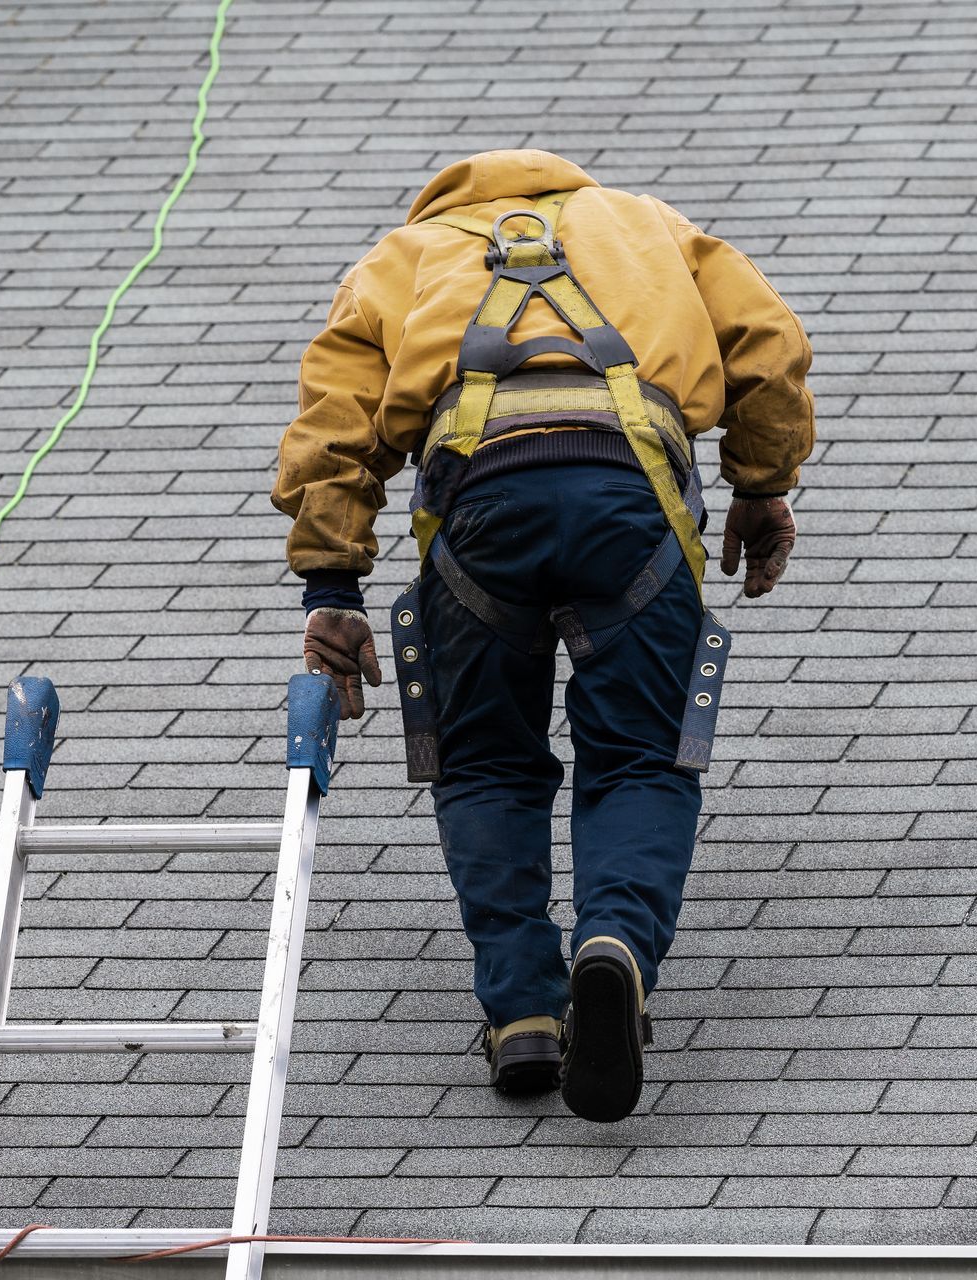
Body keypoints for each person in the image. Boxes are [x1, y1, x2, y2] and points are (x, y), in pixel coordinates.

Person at [272, 150, 813, 1122]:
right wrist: (762, 484)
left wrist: (332, 582)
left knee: (484, 761)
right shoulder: (650, 227)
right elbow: (766, 342)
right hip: (630, 503)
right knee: (641, 756)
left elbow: (333, 422)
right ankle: (616, 947)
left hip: (481, 510)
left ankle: (523, 1005)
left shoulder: (409, 253)